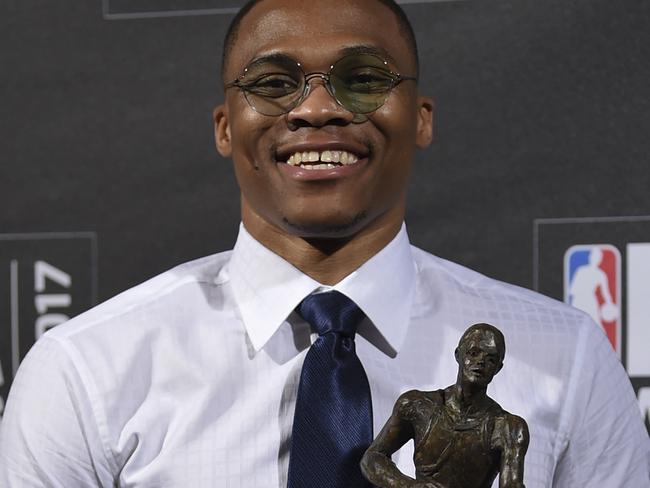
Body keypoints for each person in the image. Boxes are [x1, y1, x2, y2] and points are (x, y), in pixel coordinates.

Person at [1, 0, 648, 486]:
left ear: (421, 117)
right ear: (225, 127)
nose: (316, 110)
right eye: (274, 84)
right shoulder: (86, 371)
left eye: (363, 78)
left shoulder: (566, 359)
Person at [361, 323, 529, 488]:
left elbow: (511, 484)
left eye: (490, 359)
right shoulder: (417, 406)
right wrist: (408, 485)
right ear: (458, 355)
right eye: (474, 353)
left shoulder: (508, 427)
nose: (480, 362)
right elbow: (372, 458)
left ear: (498, 368)